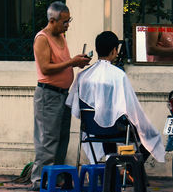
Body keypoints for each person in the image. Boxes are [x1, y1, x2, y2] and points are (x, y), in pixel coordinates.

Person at [66, 31, 165, 164]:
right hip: (114, 129)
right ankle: (130, 169)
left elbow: (75, 105)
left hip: (91, 128)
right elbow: (132, 108)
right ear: (114, 50)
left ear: (97, 49)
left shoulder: (83, 76)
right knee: (151, 135)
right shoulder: (118, 76)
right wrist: (143, 125)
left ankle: (110, 171)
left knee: (107, 122)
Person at [29, 1, 91, 191]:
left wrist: (76, 63)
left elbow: (62, 63)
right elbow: (46, 68)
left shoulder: (61, 36)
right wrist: (71, 62)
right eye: (64, 22)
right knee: (48, 139)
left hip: (63, 95)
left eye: (68, 20)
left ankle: (55, 178)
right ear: (52, 20)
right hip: (48, 95)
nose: (67, 25)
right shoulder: (42, 38)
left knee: (62, 138)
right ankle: (39, 181)